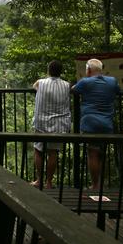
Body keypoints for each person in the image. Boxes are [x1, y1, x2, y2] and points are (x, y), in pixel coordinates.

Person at [72, 58, 120, 190]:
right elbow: (118, 91)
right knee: (101, 154)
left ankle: (95, 185)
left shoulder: (85, 82)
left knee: (92, 153)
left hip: (90, 123)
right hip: (107, 123)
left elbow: (74, 90)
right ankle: (101, 184)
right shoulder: (112, 81)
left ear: (88, 70)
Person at [31, 60, 71, 189]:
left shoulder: (41, 83)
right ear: (61, 72)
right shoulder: (67, 85)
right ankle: (49, 182)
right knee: (53, 152)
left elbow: (34, 86)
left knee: (38, 150)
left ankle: (39, 180)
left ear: (48, 70)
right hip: (59, 123)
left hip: (41, 122)